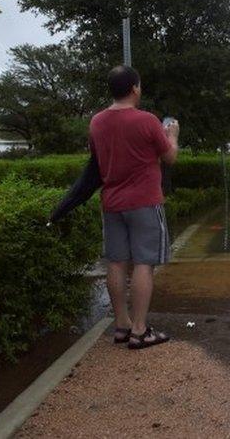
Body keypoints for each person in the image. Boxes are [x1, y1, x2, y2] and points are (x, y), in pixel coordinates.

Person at [89, 65, 179, 350]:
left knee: (116, 262)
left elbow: (97, 159)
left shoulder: (97, 122)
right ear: (135, 89)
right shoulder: (147, 121)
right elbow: (170, 158)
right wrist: (173, 135)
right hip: (144, 202)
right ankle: (140, 331)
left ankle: (122, 325)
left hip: (112, 203)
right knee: (144, 263)